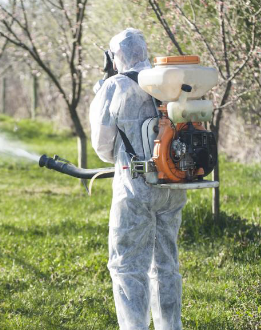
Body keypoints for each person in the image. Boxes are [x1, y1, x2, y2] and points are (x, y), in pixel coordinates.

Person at [89, 28, 187, 330]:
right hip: (173, 185)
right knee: (166, 266)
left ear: (116, 55)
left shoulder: (115, 86)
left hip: (134, 189)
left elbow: (103, 146)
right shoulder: (167, 82)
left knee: (128, 266)